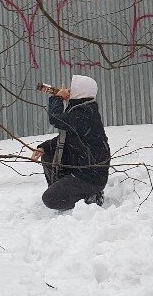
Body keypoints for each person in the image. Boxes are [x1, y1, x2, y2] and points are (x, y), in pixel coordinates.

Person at [31, 75, 110, 210]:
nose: (67, 91)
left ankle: (90, 197)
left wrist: (57, 97)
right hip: (80, 168)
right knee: (49, 155)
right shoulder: (81, 110)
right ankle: (64, 192)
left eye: (71, 89)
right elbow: (67, 139)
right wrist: (44, 147)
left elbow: (56, 118)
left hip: (90, 177)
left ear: (79, 93)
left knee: (50, 199)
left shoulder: (85, 114)